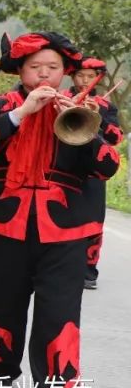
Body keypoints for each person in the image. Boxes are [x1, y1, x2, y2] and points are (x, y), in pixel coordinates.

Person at [0, 32, 119, 388]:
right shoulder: (3, 104)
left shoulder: (89, 109)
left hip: (66, 232)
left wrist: (85, 128)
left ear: (66, 72)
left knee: (59, 321)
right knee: (2, 302)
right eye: (36, 68)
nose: (45, 74)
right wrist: (20, 115)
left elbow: (107, 167)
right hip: (6, 226)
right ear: (20, 71)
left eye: (53, 68)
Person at [63, 57, 122, 290]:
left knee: (93, 221)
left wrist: (97, 119)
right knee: (62, 216)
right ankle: (62, 265)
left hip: (94, 171)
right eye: (80, 75)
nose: (84, 80)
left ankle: (89, 269)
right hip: (64, 166)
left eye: (90, 76)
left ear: (97, 78)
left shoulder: (106, 105)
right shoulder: (62, 99)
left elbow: (115, 137)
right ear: (72, 76)